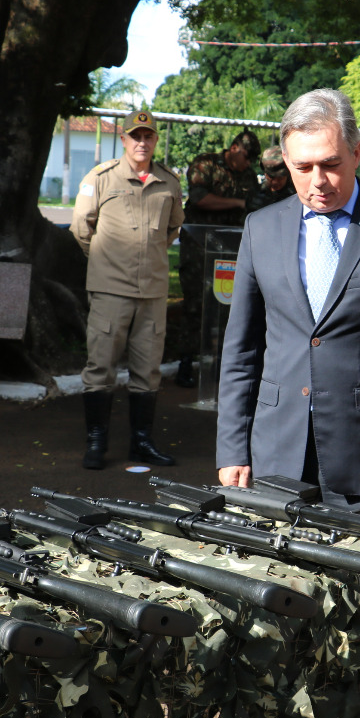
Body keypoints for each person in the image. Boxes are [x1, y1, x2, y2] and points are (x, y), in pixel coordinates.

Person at [215, 89, 360, 520]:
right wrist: (231, 448)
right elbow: (241, 349)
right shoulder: (260, 228)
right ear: (285, 159)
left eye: (331, 164)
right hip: (275, 457)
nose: (318, 180)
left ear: (356, 154)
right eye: (302, 167)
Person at [71, 110, 184, 470]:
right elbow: (81, 228)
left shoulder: (168, 182)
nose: (142, 142)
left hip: (151, 293)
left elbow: (172, 228)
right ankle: (96, 441)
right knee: (101, 365)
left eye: (148, 136)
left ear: (155, 140)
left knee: (148, 370)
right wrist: (107, 262)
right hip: (110, 291)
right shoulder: (101, 178)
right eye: (135, 136)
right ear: (123, 139)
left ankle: (141, 443)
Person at [175, 130, 261, 388]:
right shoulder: (206, 164)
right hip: (198, 247)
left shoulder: (247, 175)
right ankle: (185, 364)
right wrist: (237, 202)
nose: (248, 164)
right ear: (234, 148)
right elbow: (199, 198)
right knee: (194, 305)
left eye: (251, 160)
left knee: (228, 307)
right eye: (246, 156)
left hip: (230, 249)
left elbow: (253, 203)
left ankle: (222, 366)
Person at [245, 145, 295, 212]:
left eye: (280, 178)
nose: (275, 182)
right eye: (271, 177)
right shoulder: (257, 193)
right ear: (265, 174)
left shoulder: (296, 195)